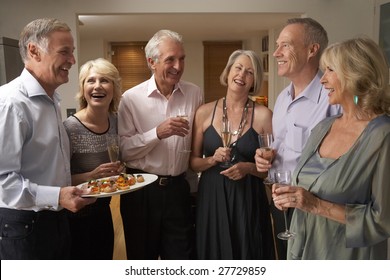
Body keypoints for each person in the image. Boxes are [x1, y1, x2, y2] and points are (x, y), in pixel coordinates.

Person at [272, 37, 390, 260]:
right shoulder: (324, 127)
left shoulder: (383, 135)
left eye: (330, 71)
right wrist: (290, 197)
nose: (323, 79)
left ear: (355, 75)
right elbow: (304, 187)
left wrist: (316, 205)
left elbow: (383, 220)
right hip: (303, 250)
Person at [0, 18, 96, 260]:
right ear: (34, 51)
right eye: (64, 52)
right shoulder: (11, 103)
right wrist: (57, 196)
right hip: (25, 226)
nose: (73, 61)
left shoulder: (52, 100)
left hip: (55, 218)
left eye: (72, 52)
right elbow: (2, 181)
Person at [254, 17, 341, 259]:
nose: (275, 53)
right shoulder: (282, 98)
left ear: (312, 50)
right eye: (276, 45)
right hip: (280, 201)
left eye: (286, 45)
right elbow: (279, 147)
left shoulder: (333, 99)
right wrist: (265, 156)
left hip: (313, 208)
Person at [118, 29, 203, 260]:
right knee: (141, 259)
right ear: (151, 62)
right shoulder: (130, 98)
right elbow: (124, 150)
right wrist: (157, 133)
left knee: (182, 260)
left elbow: (198, 141)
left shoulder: (194, 93)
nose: (178, 65)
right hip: (140, 191)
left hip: (178, 190)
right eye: (170, 59)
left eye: (182, 58)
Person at [190, 49, 274, 260]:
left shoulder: (264, 115)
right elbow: (193, 163)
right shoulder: (203, 112)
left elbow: (271, 171)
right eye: (238, 68)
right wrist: (212, 159)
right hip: (212, 196)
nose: (241, 75)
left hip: (249, 199)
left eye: (249, 72)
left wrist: (249, 168)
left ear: (255, 80)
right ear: (228, 72)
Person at [63, 58, 124, 259]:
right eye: (91, 80)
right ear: (83, 88)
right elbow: (58, 181)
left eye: (104, 80)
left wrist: (119, 170)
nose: (97, 86)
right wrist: (92, 175)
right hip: (75, 214)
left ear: (114, 88)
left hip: (103, 208)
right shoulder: (70, 128)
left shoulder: (116, 121)